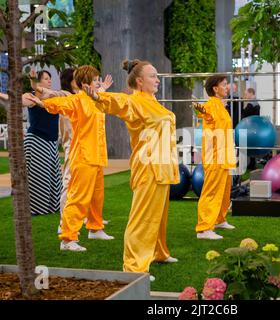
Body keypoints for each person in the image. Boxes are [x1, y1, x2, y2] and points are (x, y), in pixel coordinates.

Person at [85, 59, 180, 279]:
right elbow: (119, 103)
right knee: (143, 218)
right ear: (139, 80)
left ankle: (159, 252)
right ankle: (135, 266)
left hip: (163, 166)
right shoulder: (135, 101)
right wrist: (99, 96)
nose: (157, 79)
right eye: (153, 76)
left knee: (159, 216)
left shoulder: (153, 101)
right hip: (148, 168)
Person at [27, 65, 115, 252]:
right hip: (83, 155)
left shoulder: (97, 99)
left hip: (97, 155)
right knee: (78, 198)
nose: (99, 83)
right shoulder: (77, 100)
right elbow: (58, 103)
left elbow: (107, 98)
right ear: (85, 83)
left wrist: (103, 89)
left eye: (99, 79)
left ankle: (95, 227)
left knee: (97, 196)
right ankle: (67, 238)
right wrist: (41, 101)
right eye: (96, 80)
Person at [194, 75, 237, 240]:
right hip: (214, 156)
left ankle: (219, 219)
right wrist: (201, 109)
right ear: (215, 89)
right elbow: (202, 113)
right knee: (211, 192)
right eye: (224, 84)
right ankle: (204, 229)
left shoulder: (219, 106)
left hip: (224, 155)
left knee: (224, 191)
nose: (227, 87)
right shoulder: (211, 105)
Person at [23, 70, 62, 216]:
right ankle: (36, 209)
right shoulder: (31, 98)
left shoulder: (52, 96)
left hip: (51, 143)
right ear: (38, 83)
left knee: (53, 177)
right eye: (46, 79)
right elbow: (21, 100)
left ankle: (52, 207)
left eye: (50, 78)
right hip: (37, 141)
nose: (49, 81)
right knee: (38, 177)